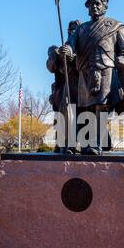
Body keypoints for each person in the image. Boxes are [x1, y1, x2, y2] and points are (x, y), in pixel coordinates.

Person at [61, 0, 124, 155]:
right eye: (91, 4)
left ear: (104, 6)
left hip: (105, 70)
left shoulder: (115, 26)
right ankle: (88, 144)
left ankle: (97, 143)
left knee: (101, 107)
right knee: (86, 108)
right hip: (84, 71)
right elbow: (71, 45)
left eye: (98, 3)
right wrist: (68, 51)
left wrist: (123, 61)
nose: (94, 6)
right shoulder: (81, 29)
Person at [47, 20, 81, 153]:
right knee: (64, 115)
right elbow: (51, 67)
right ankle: (63, 143)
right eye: (71, 30)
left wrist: (73, 57)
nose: (73, 32)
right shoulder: (62, 47)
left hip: (81, 86)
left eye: (76, 30)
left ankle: (78, 143)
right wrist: (56, 55)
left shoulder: (84, 46)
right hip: (65, 88)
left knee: (80, 115)